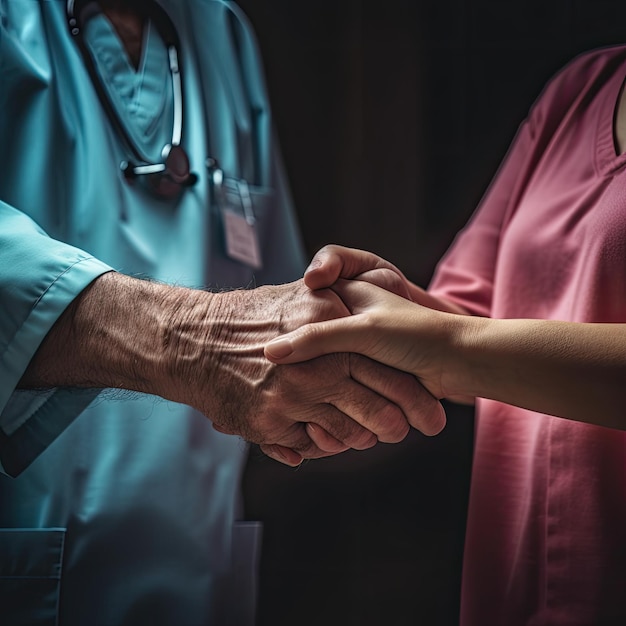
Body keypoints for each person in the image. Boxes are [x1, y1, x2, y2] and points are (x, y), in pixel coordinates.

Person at [0, 1, 445, 624]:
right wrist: (195, 345)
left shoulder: (219, 28)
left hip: (197, 563)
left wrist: (332, 331)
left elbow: (280, 309)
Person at [265, 44, 626, 625]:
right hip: (514, 585)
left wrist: (447, 347)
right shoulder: (583, 89)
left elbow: (460, 345)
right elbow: (470, 316)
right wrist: (376, 305)